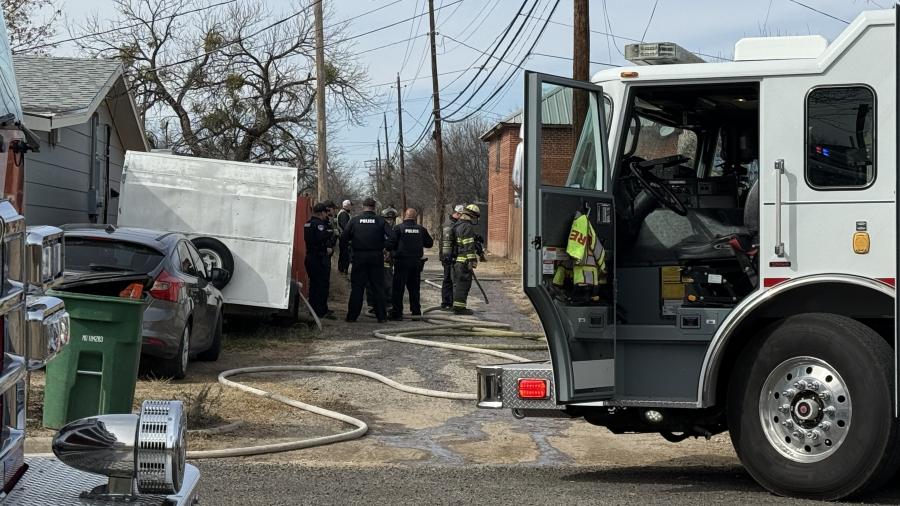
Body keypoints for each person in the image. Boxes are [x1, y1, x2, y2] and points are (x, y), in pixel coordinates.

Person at [342, 197, 394, 322]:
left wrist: (348, 252)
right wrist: (386, 248)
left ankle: (352, 317)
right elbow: (393, 236)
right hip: (376, 257)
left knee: (357, 287)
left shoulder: (354, 220)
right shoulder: (380, 221)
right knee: (377, 287)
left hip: (359, 257)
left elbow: (344, 237)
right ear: (374, 207)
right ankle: (381, 317)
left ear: (363, 207)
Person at [389, 208, 433, 320]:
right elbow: (429, 243)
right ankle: (416, 313)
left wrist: (393, 252)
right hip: (416, 263)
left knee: (398, 289)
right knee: (414, 289)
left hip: (401, 262)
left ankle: (397, 314)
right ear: (415, 217)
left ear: (404, 216)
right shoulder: (421, 229)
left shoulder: (398, 228)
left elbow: (390, 244)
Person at [303, 203, 335, 319]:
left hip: (310, 257)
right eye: (325, 213)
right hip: (319, 258)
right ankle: (320, 311)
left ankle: (313, 310)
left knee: (314, 285)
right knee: (322, 285)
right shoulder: (319, 225)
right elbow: (322, 239)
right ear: (322, 213)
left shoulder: (307, 223)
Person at [367, 205, 399, 314]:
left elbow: (398, 245)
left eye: (392, 219)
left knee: (388, 280)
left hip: (388, 260)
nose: (390, 221)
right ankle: (375, 303)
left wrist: (391, 253)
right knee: (373, 282)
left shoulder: (396, 229)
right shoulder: (379, 227)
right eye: (387, 219)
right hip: (377, 258)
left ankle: (388, 302)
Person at [452, 204, 480, 315]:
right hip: (464, 261)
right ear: (472, 215)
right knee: (463, 284)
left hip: (458, 260)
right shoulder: (467, 226)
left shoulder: (458, 224)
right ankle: (459, 308)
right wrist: (472, 260)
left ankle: (458, 306)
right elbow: (468, 245)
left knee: (459, 284)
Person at [440, 205, 464, 309]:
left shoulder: (451, 223)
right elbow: (447, 242)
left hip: (448, 256)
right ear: (458, 214)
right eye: (462, 215)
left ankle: (448, 302)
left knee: (449, 279)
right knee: (449, 280)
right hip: (449, 257)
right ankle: (447, 302)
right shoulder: (451, 225)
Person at [337, 200, 353, 274]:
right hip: (344, 238)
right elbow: (345, 227)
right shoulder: (343, 214)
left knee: (344, 254)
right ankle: (342, 270)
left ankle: (342, 270)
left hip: (343, 237)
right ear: (347, 206)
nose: (351, 207)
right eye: (350, 205)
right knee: (345, 254)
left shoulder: (344, 213)